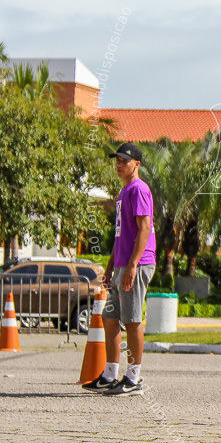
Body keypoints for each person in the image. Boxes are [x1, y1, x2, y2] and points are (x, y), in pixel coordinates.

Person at [83, 142, 157, 397]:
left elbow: (144, 229)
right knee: (110, 318)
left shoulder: (139, 189)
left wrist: (134, 264)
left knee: (132, 319)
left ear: (137, 164)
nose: (119, 164)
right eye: (117, 160)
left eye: (124, 161)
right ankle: (110, 375)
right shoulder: (123, 192)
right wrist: (110, 267)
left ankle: (134, 378)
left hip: (138, 263)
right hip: (123, 264)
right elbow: (120, 236)